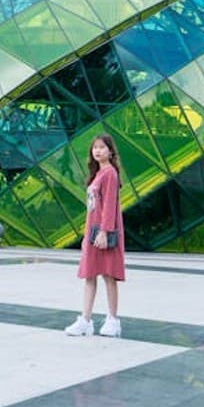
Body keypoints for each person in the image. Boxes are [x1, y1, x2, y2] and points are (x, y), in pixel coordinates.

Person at [65, 134, 125, 338]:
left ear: (110, 150)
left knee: (109, 275)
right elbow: (93, 208)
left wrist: (104, 231)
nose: (98, 151)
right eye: (95, 148)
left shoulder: (110, 174)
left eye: (102, 147)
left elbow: (109, 204)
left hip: (103, 232)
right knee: (89, 274)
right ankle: (86, 320)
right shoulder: (97, 174)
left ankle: (113, 320)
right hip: (92, 232)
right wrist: (87, 234)